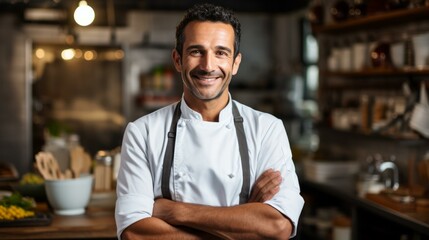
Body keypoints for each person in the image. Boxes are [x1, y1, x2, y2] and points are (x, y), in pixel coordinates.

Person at [115, 3, 304, 239]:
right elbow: (135, 233)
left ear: (235, 63)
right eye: (196, 51)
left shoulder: (267, 129)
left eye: (221, 53)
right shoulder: (142, 133)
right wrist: (243, 222)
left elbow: (278, 227)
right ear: (177, 60)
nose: (208, 66)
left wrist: (175, 212)